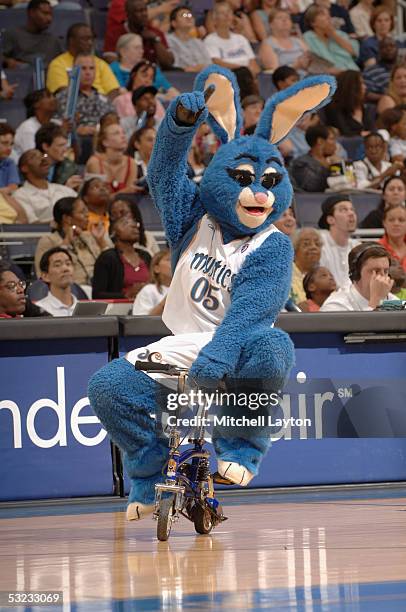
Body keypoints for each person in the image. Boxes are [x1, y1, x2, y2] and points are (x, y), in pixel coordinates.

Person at [35, 196, 110, 288]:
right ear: (67, 218)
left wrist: (101, 241)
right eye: (82, 212)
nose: (87, 215)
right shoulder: (48, 240)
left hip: (99, 287)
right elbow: (42, 275)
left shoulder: (90, 236)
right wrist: (66, 243)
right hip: (70, 290)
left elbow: (113, 266)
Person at [46, 23, 120, 96]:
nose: (90, 42)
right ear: (71, 41)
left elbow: (114, 91)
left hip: (102, 105)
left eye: (91, 39)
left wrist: (101, 104)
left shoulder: (100, 63)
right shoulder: (58, 64)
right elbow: (63, 93)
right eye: (85, 39)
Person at [56, 54, 115, 144]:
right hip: (73, 142)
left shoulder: (104, 99)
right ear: (74, 71)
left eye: (91, 68)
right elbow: (54, 125)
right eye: (83, 68)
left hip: (101, 143)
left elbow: (113, 123)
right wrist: (77, 130)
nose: (88, 72)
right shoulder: (62, 98)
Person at [321, 242, 395, 310]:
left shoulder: (391, 300)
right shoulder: (335, 305)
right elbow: (366, 325)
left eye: (385, 271)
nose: (382, 278)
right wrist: (376, 300)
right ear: (355, 274)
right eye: (375, 271)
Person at [92, 215, 151, 299]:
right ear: (114, 232)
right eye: (125, 223)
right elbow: (97, 295)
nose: (133, 226)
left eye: (135, 224)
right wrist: (126, 295)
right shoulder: (107, 258)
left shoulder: (146, 256)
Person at [104, 0, 174, 69]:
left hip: (151, 75)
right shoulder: (115, 32)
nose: (144, 14)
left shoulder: (156, 33)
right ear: (128, 14)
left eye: (145, 10)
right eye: (139, 11)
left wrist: (155, 40)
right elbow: (109, 59)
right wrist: (137, 65)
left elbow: (168, 63)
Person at [13, 149, 76, 223]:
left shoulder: (65, 190)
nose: (43, 159)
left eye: (43, 156)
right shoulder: (20, 195)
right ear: (24, 168)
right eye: (33, 157)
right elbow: (31, 225)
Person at [110, 33, 178, 98]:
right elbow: (124, 94)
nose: (141, 51)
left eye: (142, 48)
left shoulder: (151, 67)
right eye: (137, 48)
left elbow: (171, 91)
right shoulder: (113, 69)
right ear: (123, 51)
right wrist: (161, 97)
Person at [204, 2, 260, 78]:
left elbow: (253, 62)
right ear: (215, 20)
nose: (227, 15)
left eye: (229, 12)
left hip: (248, 77)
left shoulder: (241, 38)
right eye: (222, 13)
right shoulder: (210, 40)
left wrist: (250, 72)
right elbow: (216, 63)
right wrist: (243, 70)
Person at [2, 0, 63, 69]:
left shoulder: (54, 40)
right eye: (45, 13)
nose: (49, 19)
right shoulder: (13, 34)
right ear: (31, 13)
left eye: (50, 15)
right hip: (20, 77)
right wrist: (8, 62)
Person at [317, 194, 360, 289]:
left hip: (356, 299)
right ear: (330, 219)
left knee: (395, 303)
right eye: (343, 210)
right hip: (330, 300)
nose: (351, 213)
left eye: (352, 209)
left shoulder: (358, 247)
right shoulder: (319, 245)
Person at [303, 5, 359, 74]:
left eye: (329, 14)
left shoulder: (341, 34)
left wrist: (334, 35)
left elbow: (354, 53)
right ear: (312, 22)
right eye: (322, 14)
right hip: (326, 75)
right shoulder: (307, 37)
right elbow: (311, 61)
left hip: (351, 72)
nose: (328, 17)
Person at [86, 123, 137, 195]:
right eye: (116, 133)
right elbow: (97, 198)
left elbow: (131, 194)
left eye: (123, 133)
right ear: (105, 142)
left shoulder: (131, 162)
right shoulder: (95, 162)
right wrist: (123, 192)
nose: (123, 136)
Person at [324, 70, 375, 136]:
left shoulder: (364, 108)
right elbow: (344, 132)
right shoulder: (334, 107)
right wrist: (361, 134)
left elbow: (373, 130)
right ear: (351, 87)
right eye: (361, 83)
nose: (365, 87)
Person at [289, 124, 337, 192]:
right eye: (332, 139)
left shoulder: (332, 161)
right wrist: (329, 168)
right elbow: (311, 187)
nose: (335, 144)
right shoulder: (301, 164)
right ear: (320, 141)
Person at [13, 89, 59, 159]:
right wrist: (50, 154)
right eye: (48, 96)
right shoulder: (28, 128)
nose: (54, 99)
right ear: (36, 104)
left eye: (53, 96)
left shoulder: (57, 123)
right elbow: (35, 159)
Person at [35, 123, 81, 190]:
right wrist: (65, 189)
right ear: (45, 146)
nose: (65, 149)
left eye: (65, 145)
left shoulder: (70, 168)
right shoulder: (32, 166)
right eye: (60, 145)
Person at [35, 247, 78, 316]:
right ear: (45, 276)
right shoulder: (39, 310)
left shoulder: (86, 310)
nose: (65, 269)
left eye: (68, 263)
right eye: (57, 265)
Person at [167, 6, 212, 72]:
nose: (188, 17)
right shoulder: (168, 40)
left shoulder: (198, 42)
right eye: (183, 15)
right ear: (174, 23)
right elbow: (175, 66)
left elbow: (210, 65)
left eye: (190, 15)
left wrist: (198, 68)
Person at [132, 249, 171, 314]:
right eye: (169, 260)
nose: (174, 262)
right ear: (157, 269)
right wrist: (166, 302)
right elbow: (142, 320)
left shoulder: (184, 289)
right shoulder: (148, 290)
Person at [291, 227, 322, 303]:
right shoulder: (285, 276)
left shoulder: (323, 275)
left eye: (317, 244)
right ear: (294, 251)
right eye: (306, 244)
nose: (313, 247)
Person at [363, 37, 398, 104]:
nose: (389, 49)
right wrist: (389, 97)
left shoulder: (402, 69)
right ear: (379, 51)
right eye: (384, 47)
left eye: (392, 46)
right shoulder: (369, 71)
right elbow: (367, 94)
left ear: (397, 49)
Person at [378, 204, 406, 271]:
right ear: (384, 223)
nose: (396, 224)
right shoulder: (376, 248)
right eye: (391, 220)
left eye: (401, 220)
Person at [0, 123, 20, 195]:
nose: (9, 148)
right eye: (4, 143)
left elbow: (13, 188)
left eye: (11, 144)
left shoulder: (9, 162)